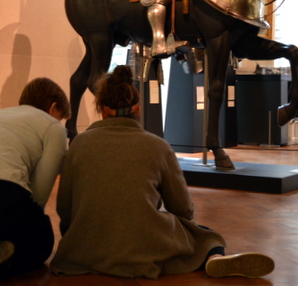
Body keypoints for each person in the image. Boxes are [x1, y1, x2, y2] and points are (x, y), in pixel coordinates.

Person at [50, 65, 274, 279]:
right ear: (137, 108)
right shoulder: (158, 146)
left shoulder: (79, 144)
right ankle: (213, 257)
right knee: (206, 236)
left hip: (85, 249)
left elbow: (64, 208)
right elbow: (183, 209)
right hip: (142, 246)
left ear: (101, 109)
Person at [0, 78, 70, 280]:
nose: (59, 124)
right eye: (60, 118)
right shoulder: (53, 128)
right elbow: (39, 197)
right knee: (42, 238)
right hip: (5, 191)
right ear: (53, 107)